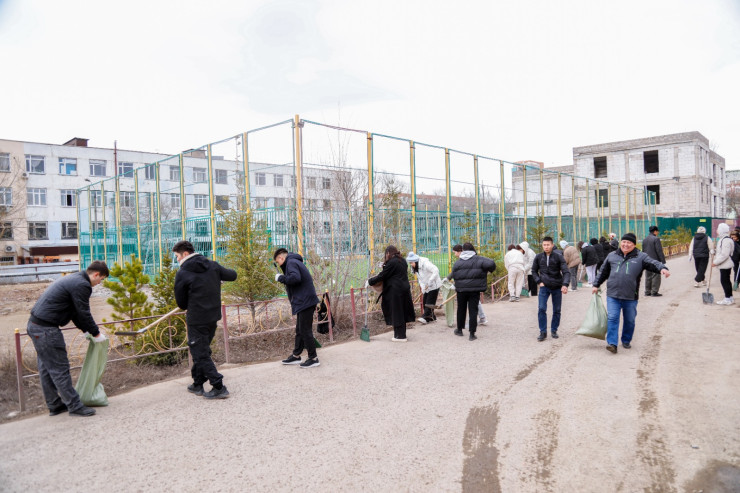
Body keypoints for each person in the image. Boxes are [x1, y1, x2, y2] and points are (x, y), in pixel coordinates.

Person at [27, 260, 110, 417]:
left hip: (36, 325)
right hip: (46, 330)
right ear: (96, 274)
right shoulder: (83, 285)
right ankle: (75, 406)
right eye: (101, 279)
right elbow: (84, 312)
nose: (100, 283)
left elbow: (75, 312)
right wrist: (96, 334)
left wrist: (86, 331)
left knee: (47, 368)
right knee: (60, 369)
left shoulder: (74, 279)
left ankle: (55, 405)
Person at [174, 241, 238, 398]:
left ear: (185, 254)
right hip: (212, 317)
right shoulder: (212, 265)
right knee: (201, 350)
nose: (176, 259)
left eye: (177, 256)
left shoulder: (183, 273)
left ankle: (218, 386)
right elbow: (232, 275)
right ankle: (197, 383)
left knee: (200, 353)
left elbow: (181, 304)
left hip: (197, 319)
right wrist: (216, 277)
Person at [592, 233, 670, 353]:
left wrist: (662, 268)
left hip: (630, 296)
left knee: (630, 320)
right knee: (612, 318)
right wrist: (596, 285)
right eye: (624, 242)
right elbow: (603, 271)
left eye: (629, 243)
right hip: (613, 294)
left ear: (634, 245)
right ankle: (612, 343)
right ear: (621, 242)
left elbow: (653, 262)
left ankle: (626, 339)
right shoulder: (612, 255)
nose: (626, 244)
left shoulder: (641, 256)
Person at [274, 248, 322, 365]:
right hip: (304, 301)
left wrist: (281, 278)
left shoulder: (290, 262)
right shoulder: (293, 261)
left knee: (305, 330)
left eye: (278, 262)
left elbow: (295, 278)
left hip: (305, 301)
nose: (279, 265)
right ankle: (296, 355)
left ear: (281, 258)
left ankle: (313, 358)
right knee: (300, 330)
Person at [448, 243, 496, 340]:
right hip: (474, 290)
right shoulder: (479, 260)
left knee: (461, 309)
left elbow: (454, 274)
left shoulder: (458, 263)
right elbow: (491, 264)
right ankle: (472, 334)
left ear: (463, 250)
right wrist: (487, 270)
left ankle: (459, 330)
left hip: (461, 290)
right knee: (473, 310)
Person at [367, 245, 416, 341]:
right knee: (402, 312)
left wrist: (370, 281)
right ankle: (400, 334)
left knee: (397, 313)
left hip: (395, 291)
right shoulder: (402, 260)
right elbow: (394, 272)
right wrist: (385, 265)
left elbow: (382, 275)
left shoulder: (392, 262)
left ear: (388, 253)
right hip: (404, 289)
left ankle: (400, 336)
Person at [532, 237, 570, 341]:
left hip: (557, 286)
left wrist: (565, 284)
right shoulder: (538, 257)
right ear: (542, 245)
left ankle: (554, 330)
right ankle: (543, 332)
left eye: (548, 245)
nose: (546, 247)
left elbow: (566, 272)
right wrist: (539, 281)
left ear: (552, 245)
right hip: (544, 287)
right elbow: (534, 271)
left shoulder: (559, 257)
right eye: (544, 245)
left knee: (557, 310)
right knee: (541, 308)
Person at [451, 244, 488, 326]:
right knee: (475, 302)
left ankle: (475, 321)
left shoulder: (465, 259)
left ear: (459, 251)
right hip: (470, 285)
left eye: (454, 252)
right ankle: (482, 318)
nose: (454, 254)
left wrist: (456, 284)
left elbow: (463, 274)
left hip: (469, 285)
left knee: (470, 304)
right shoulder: (465, 259)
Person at [406, 251, 442, 324]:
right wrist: (423, 288)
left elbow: (436, 270)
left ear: (416, 261)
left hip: (434, 285)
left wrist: (430, 281)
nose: (411, 264)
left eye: (412, 263)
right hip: (426, 286)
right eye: (410, 263)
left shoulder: (425, 263)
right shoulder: (416, 268)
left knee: (429, 302)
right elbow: (420, 279)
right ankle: (431, 317)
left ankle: (425, 317)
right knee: (425, 301)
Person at [712, 223, 735, 306]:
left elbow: (725, 254)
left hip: (725, 264)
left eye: (718, 229)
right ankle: (730, 297)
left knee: (724, 281)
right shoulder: (723, 239)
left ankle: (727, 298)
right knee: (726, 281)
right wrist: (714, 251)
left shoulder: (726, 240)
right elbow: (721, 251)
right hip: (724, 264)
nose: (717, 231)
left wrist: (715, 262)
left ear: (721, 230)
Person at [642, 225, 666, 297]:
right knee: (656, 276)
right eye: (657, 231)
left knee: (648, 276)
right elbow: (659, 250)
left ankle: (647, 291)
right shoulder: (656, 239)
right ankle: (654, 292)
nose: (658, 233)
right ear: (655, 231)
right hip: (655, 260)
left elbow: (643, 251)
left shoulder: (645, 239)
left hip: (647, 260)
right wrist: (662, 261)